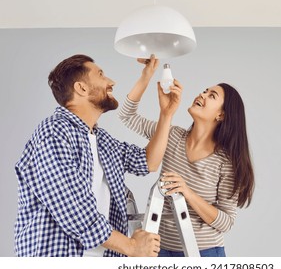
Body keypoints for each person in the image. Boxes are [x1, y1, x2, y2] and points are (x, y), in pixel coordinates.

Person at [14, 54, 182, 257]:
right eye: (101, 75)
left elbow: (148, 162)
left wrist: (166, 114)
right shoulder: (54, 132)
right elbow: (72, 208)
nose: (112, 82)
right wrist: (131, 247)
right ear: (81, 88)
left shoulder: (102, 140)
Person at [119, 55, 255, 257]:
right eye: (204, 91)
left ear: (221, 115)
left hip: (203, 253)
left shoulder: (225, 162)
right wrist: (146, 77)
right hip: (160, 251)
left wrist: (187, 192)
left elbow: (226, 222)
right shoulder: (171, 136)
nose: (202, 94)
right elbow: (127, 116)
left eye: (212, 96)